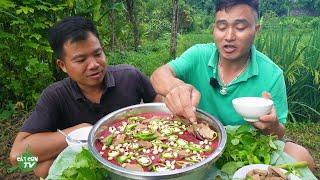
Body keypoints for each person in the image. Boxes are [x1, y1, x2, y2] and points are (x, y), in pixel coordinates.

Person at [151, 0, 316, 171]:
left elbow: (278, 135)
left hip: (243, 149)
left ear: (255, 30)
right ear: (214, 29)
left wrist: (272, 126)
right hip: (194, 139)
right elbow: (159, 74)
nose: (229, 36)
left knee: (302, 157)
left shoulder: (273, 75)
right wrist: (176, 88)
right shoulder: (198, 54)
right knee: (161, 98)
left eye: (240, 27)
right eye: (222, 27)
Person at [9, 16, 159, 178]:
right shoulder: (55, 96)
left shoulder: (129, 77)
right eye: (81, 60)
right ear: (62, 65)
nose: (94, 64)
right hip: (90, 170)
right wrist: (82, 132)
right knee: (41, 168)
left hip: (138, 164)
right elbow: (17, 158)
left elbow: (160, 104)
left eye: (97, 54)